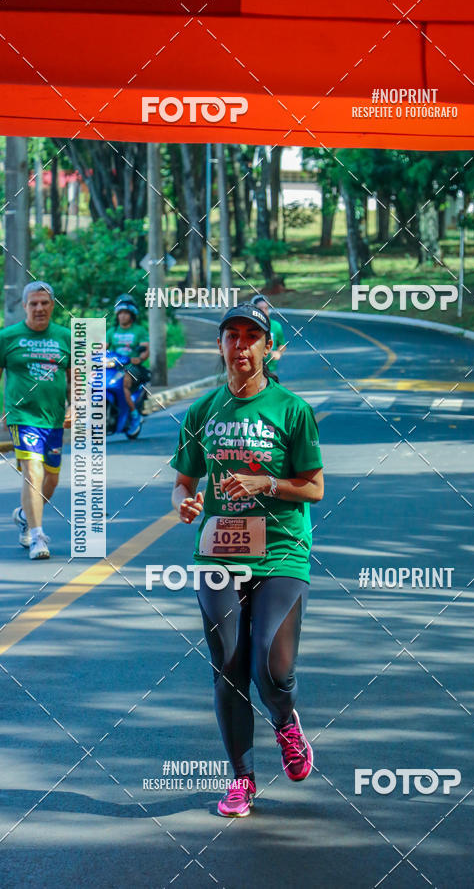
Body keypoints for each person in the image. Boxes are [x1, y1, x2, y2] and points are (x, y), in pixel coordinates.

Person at [170, 302, 324, 818]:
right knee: (228, 669)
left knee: (271, 671)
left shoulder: (292, 409)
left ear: (268, 348)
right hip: (218, 551)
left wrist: (267, 483)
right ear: (220, 345)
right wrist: (185, 505)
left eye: (251, 337)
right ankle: (242, 779)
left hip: (281, 553)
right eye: (231, 336)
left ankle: (286, 723)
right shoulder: (202, 411)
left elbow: (315, 487)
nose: (240, 345)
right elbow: (182, 484)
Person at [0, 281, 71, 560]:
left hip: (54, 419)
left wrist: (75, 405)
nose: (39, 308)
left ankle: (24, 514)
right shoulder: (8, 337)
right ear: (24, 306)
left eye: (44, 303)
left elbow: (77, 375)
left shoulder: (65, 337)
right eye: (33, 303)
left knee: (51, 480)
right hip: (22, 416)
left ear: (52, 305)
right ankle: (37, 537)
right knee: (33, 471)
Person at [106, 294, 150, 437]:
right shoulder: (112, 331)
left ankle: (134, 414)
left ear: (132, 315)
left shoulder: (139, 330)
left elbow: (145, 349)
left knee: (123, 382)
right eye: (120, 313)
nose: (122, 316)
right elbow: (102, 348)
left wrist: (139, 358)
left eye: (126, 313)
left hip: (131, 366)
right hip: (113, 365)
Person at [251, 293, 286, 375]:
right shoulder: (250, 326)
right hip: (253, 369)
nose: (264, 311)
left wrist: (278, 352)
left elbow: (282, 344)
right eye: (260, 309)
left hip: (271, 369)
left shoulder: (276, 326)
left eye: (266, 308)